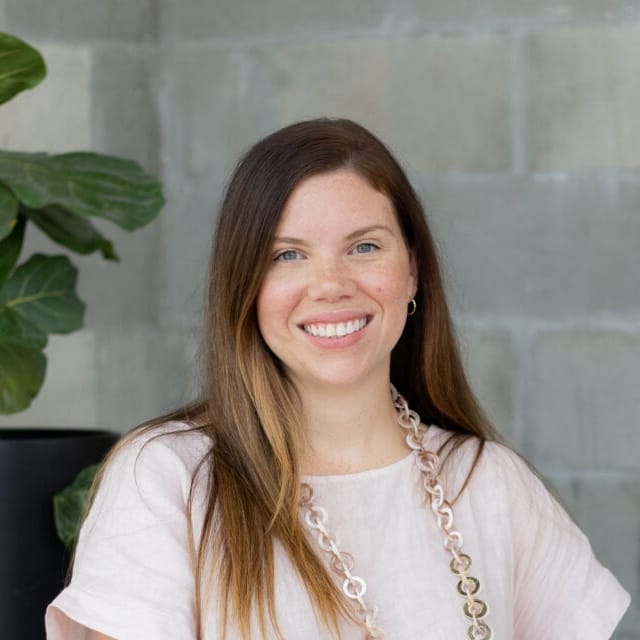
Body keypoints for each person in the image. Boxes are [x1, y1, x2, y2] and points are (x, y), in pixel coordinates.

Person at [46, 118, 630, 640]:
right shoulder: (170, 478)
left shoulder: (489, 482)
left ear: (413, 271)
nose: (330, 284)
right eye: (287, 255)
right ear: (244, 286)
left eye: (365, 246)